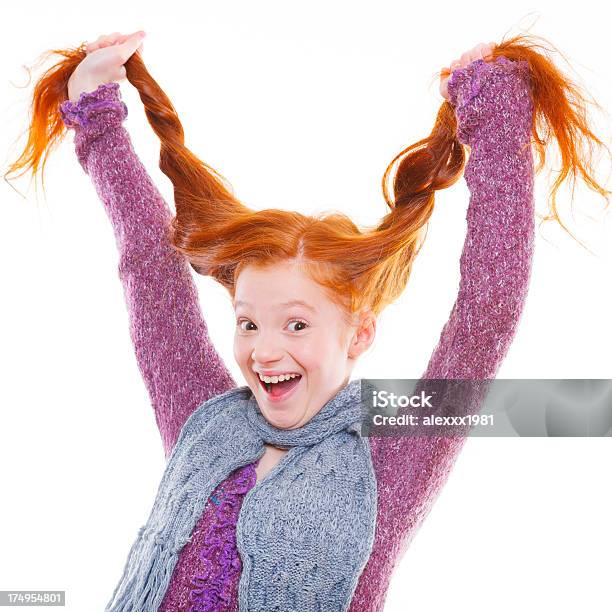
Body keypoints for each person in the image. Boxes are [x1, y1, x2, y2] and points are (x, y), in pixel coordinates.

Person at [5, 30, 610, 612]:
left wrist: (497, 120)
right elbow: (150, 272)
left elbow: (488, 312)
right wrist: (97, 117)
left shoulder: (399, 448)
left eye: (296, 325)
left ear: (359, 334)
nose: (264, 351)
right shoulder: (204, 417)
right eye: (249, 324)